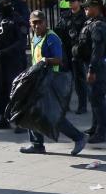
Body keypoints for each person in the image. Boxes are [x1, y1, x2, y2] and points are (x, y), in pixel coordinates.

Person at [19, 10, 86, 155]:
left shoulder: (51, 38)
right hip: (38, 80)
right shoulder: (34, 36)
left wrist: (46, 61)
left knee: (52, 115)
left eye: (39, 22)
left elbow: (58, 59)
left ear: (45, 23)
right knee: (31, 110)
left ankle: (79, 137)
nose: (36, 26)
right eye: (34, 23)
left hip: (51, 81)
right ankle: (37, 144)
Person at [74, 0, 106, 143]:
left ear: (96, 7)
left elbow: (97, 50)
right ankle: (95, 126)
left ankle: (101, 132)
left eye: (88, 6)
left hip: (95, 65)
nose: (85, 9)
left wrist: (92, 70)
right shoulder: (91, 22)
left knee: (98, 99)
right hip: (89, 63)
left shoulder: (99, 25)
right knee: (93, 98)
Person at [0, 0, 26, 130]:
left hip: (13, 61)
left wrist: (5, 52)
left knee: (14, 91)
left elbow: (21, 42)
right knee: (1, 91)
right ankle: (4, 119)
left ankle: (20, 121)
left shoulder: (17, 20)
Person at [54, 0, 88, 114]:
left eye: (73, 1)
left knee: (79, 80)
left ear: (79, 2)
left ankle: (82, 105)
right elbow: (58, 30)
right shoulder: (65, 15)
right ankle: (65, 104)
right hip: (66, 51)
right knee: (66, 79)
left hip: (78, 52)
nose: (70, 3)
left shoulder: (84, 17)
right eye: (69, 1)